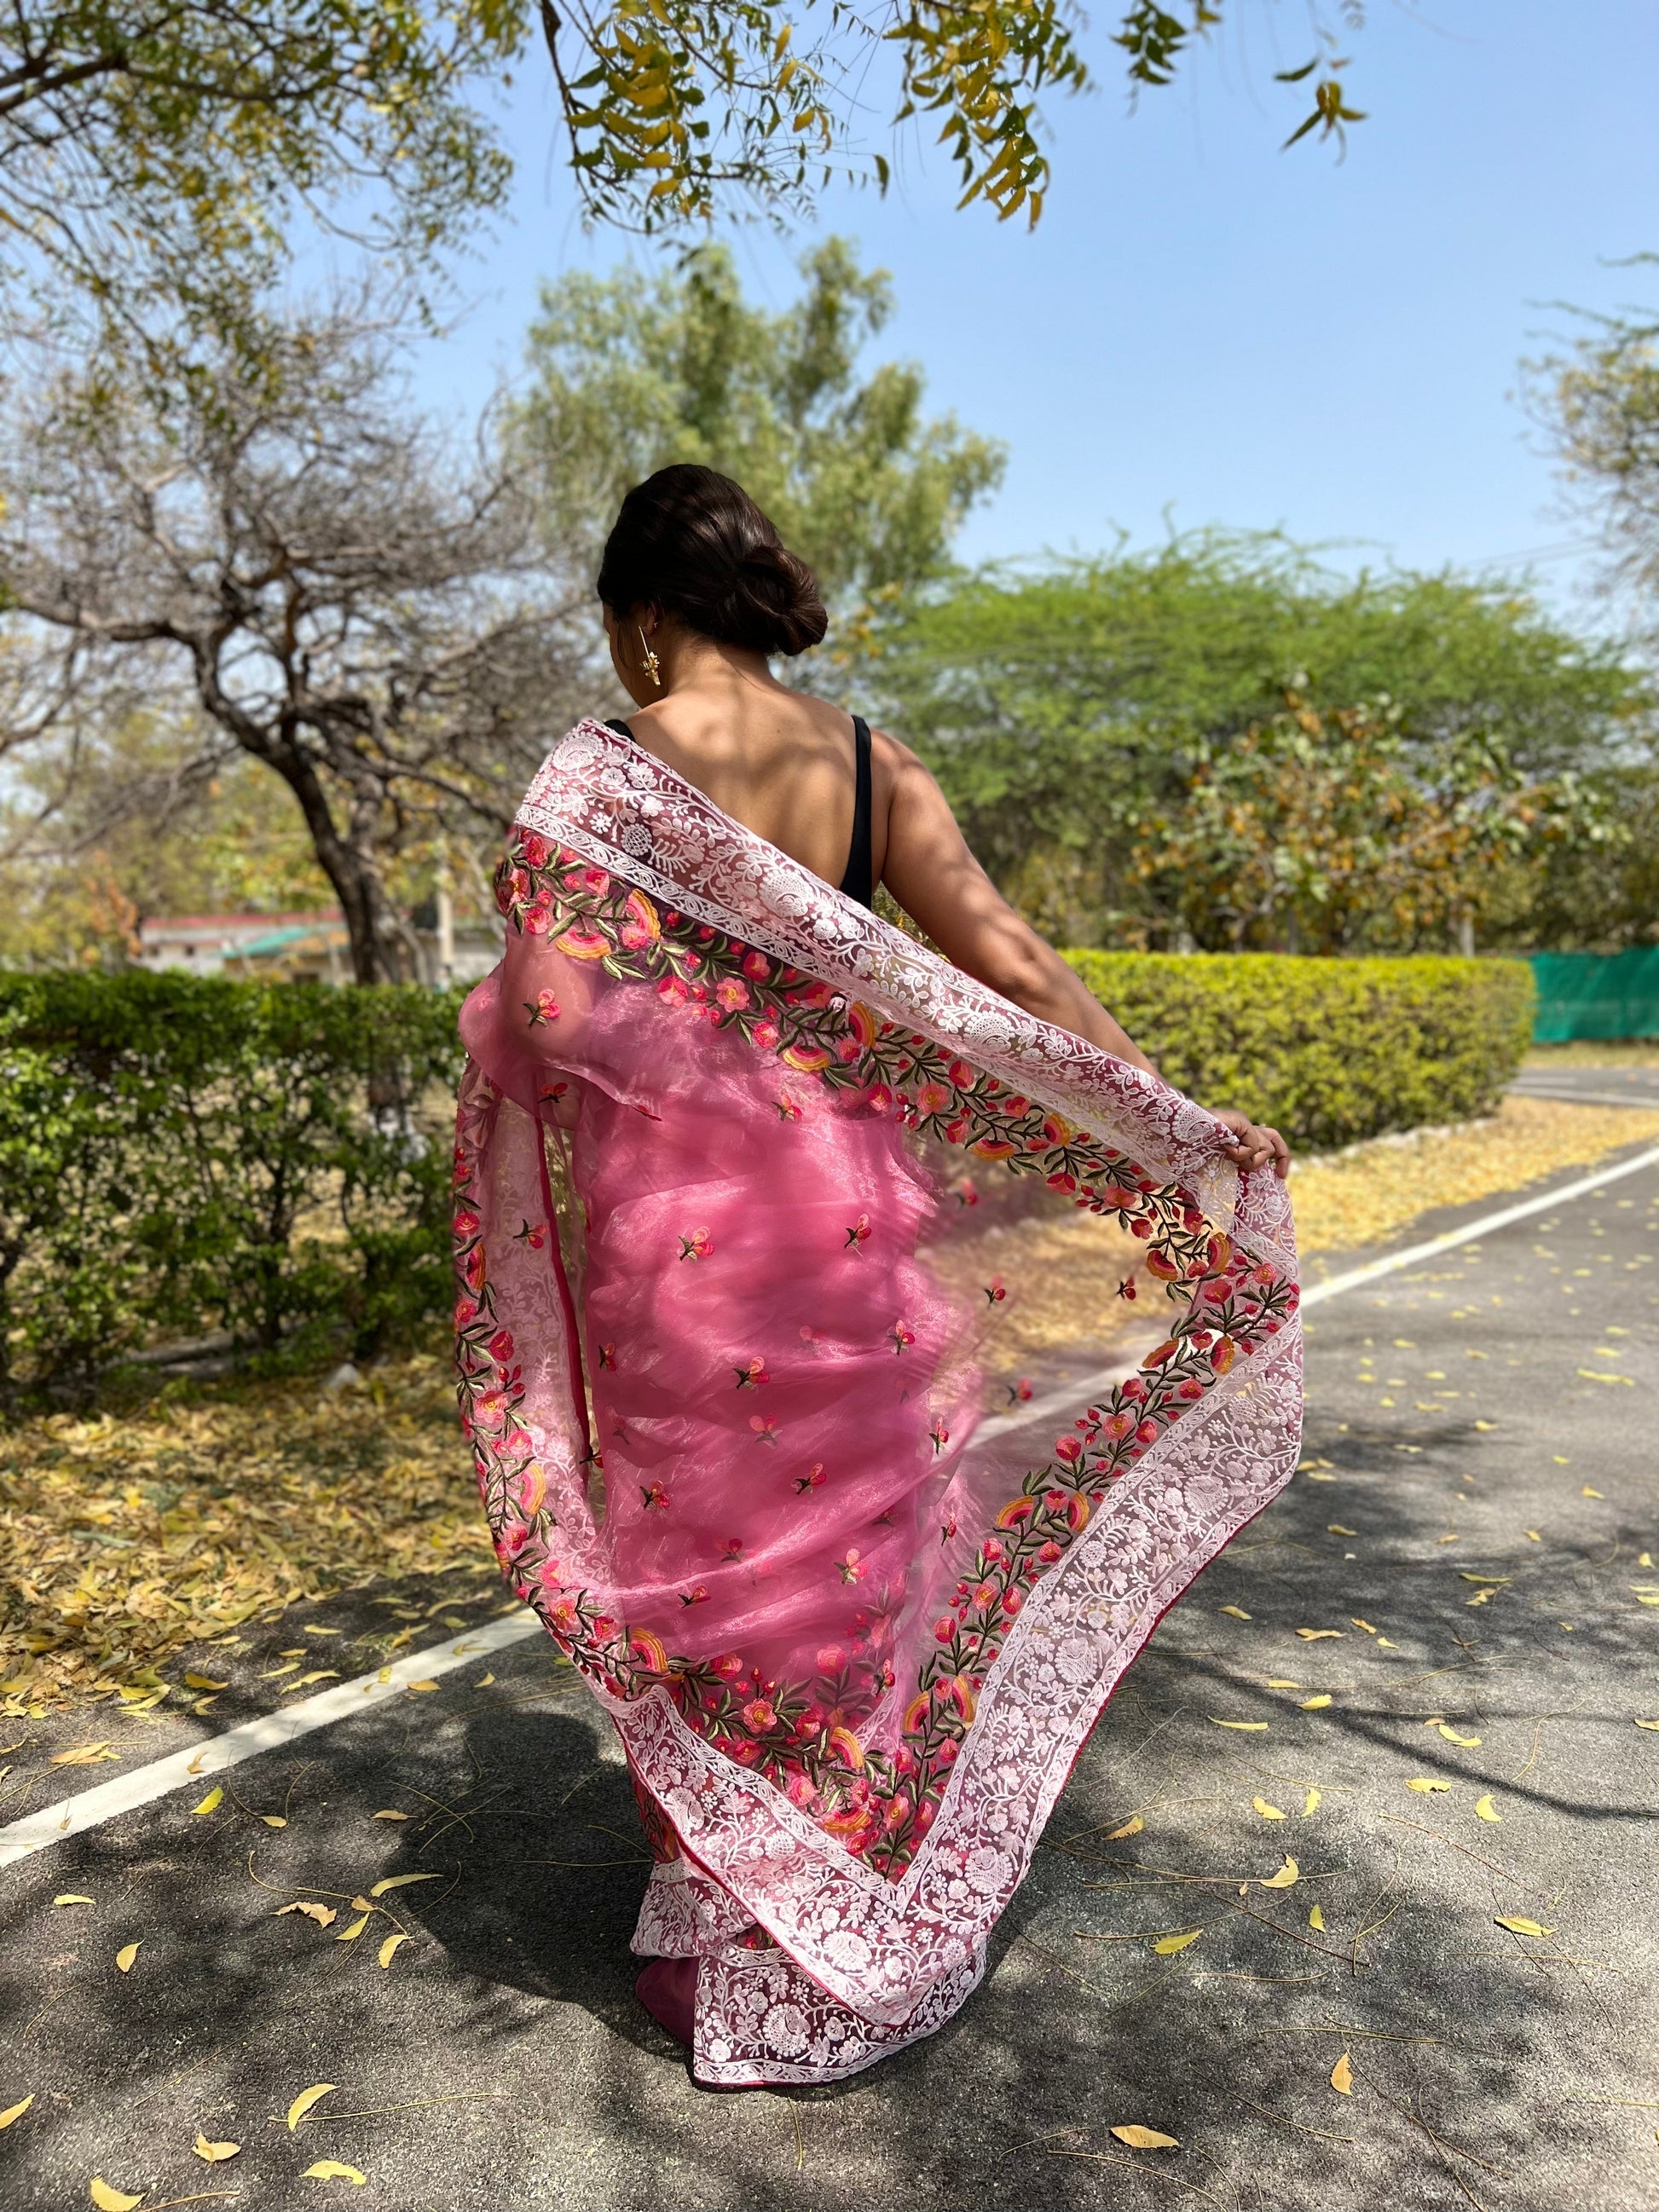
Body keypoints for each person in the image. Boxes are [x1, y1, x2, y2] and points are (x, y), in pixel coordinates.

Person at [454, 465, 1302, 2087]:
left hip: (687, 1266)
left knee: (711, 1579)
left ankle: (746, 1927)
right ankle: (861, 1905)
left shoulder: (597, 779)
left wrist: (596, 1034)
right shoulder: (866, 762)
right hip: (856, 1241)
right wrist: (1173, 1119)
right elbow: (1010, 964)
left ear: (641, 621)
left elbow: (555, 1019)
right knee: (850, 1570)